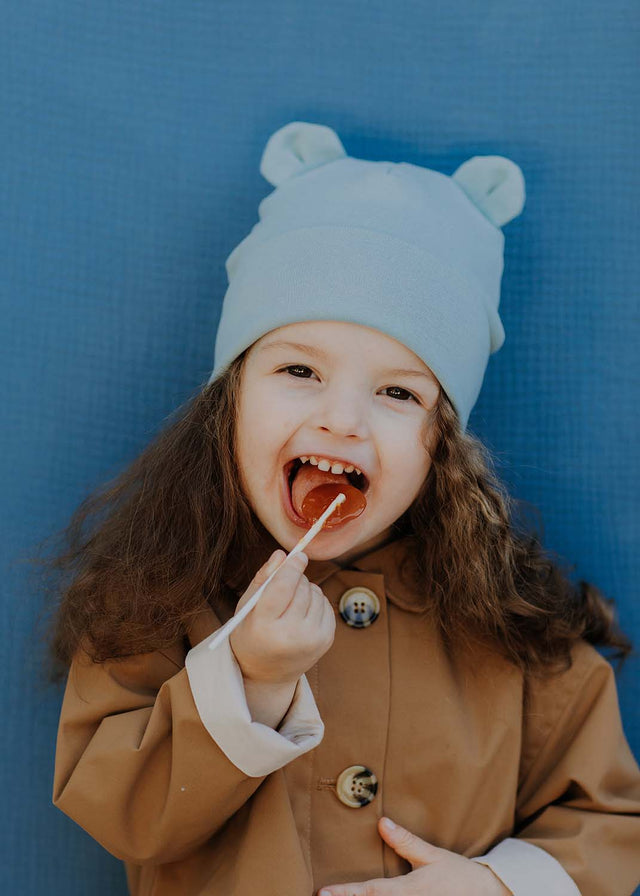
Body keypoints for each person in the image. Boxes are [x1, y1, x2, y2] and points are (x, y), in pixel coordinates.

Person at [47, 121, 640, 896]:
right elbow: (118, 810)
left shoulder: (514, 628)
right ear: (227, 402)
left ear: (444, 443)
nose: (344, 421)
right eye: (299, 370)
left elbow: (609, 822)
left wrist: (499, 888)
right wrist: (249, 680)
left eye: (399, 393)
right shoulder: (152, 601)